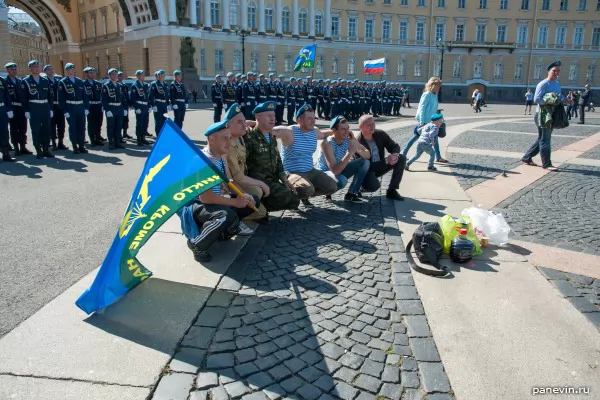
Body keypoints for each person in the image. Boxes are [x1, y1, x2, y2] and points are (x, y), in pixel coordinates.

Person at [178, 120, 257, 263]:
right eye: (224, 138)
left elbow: (228, 181)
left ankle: (223, 232)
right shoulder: (206, 160)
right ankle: (197, 244)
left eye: (229, 138)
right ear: (212, 140)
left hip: (211, 201)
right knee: (224, 216)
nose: (228, 142)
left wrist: (243, 196)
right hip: (195, 205)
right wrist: (234, 202)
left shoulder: (221, 155)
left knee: (251, 201)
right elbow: (205, 198)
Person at [273, 104, 337, 207]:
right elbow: (273, 130)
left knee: (332, 187)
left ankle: (304, 194)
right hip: (293, 172)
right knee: (307, 189)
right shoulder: (290, 132)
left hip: (310, 170)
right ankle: (291, 197)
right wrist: (253, 125)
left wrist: (339, 131)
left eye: (314, 118)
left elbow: (324, 134)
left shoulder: (314, 131)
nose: (313, 121)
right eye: (309, 118)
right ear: (300, 120)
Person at [244, 101, 300, 212]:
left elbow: (278, 161)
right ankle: (257, 209)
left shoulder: (272, 137)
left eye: (273, 115)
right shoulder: (249, 136)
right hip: (257, 181)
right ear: (258, 117)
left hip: (272, 179)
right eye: (268, 116)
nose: (272, 118)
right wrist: (245, 124)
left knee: (294, 199)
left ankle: (263, 207)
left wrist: (285, 181)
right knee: (284, 196)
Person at [223, 103, 269, 223]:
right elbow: (237, 177)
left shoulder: (239, 135)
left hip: (240, 180)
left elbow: (247, 123)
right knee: (260, 209)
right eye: (239, 122)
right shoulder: (229, 144)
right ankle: (227, 216)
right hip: (231, 187)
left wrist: (254, 123)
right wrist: (261, 184)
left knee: (258, 196)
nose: (244, 125)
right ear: (227, 125)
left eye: (244, 121)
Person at [316, 115, 370, 202]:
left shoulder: (347, 139)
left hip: (339, 169)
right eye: (343, 129)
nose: (347, 131)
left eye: (348, 128)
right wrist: (349, 153)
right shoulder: (327, 143)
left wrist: (357, 150)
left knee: (365, 162)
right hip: (325, 174)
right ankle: (326, 191)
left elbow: (367, 154)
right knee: (342, 181)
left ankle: (351, 193)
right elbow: (334, 170)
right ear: (334, 131)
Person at [521, 60, 562, 171]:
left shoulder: (557, 84)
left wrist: (566, 100)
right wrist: (550, 101)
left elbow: (559, 97)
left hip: (552, 114)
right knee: (545, 140)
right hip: (542, 115)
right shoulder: (543, 84)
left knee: (542, 138)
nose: (556, 73)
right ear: (549, 71)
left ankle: (527, 157)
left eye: (558, 71)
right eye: (554, 70)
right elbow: (536, 99)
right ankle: (547, 163)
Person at [356, 114, 406, 201]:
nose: (372, 127)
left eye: (373, 124)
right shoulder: (357, 142)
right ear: (361, 127)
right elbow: (366, 166)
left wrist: (394, 155)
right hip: (367, 171)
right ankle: (360, 187)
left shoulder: (379, 134)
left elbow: (394, 146)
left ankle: (392, 190)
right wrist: (386, 160)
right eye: (369, 125)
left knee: (401, 158)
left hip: (381, 165)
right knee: (373, 186)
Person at [401, 77, 447, 163]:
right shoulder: (426, 94)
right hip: (424, 121)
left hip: (431, 121)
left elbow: (432, 108)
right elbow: (422, 109)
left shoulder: (435, 95)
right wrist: (421, 122)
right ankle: (403, 154)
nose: (438, 88)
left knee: (435, 138)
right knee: (415, 137)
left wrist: (437, 112)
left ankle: (438, 157)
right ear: (431, 85)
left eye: (439, 86)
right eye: (437, 86)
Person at [21, 60, 54, 159]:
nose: (36, 68)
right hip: (34, 106)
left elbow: (50, 96)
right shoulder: (26, 81)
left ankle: (46, 149)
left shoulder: (45, 80)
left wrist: (51, 108)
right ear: (30, 68)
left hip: (45, 106)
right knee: (36, 129)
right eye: (34, 66)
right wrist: (26, 110)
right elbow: (23, 97)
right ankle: (38, 150)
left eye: (38, 66)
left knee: (47, 129)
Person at [58, 63, 90, 154]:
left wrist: (86, 107)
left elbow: (85, 96)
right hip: (70, 107)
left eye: (73, 69)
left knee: (81, 127)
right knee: (73, 127)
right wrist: (64, 110)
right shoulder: (63, 82)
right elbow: (61, 98)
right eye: (69, 69)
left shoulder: (79, 81)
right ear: (66, 71)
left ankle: (81, 145)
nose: (72, 70)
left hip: (80, 106)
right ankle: (74, 145)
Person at [5, 62, 31, 155]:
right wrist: (8, 109)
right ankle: (16, 147)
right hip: (12, 108)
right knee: (14, 128)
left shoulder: (20, 81)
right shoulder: (5, 82)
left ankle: (23, 146)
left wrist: (26, 109)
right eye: (11, 69)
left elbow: (25, 96)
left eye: (15, 69)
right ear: (7, 70)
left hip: (21, 107)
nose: (14, 71)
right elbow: (5, 97)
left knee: (23, 128)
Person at [43, 65, 67, 150]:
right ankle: (53, 143)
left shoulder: (58, 80)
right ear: (45, 71)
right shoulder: (44, 81)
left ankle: (61, 142)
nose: (51, 71)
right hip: (51, 105)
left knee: (61, 125)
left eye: (52, 69)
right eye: (48, 69)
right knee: (52, 125)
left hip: (59, 105)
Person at [101, 68, 126, 150]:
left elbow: (123, 98)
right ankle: (111, 143)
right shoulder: (106, 86)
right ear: (109, 76)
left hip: (119, 107)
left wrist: (125, 108)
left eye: (116, 74)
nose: (115, 76)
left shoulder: (119, 86)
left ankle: (117, 142)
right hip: (111, 107)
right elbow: (104, 99)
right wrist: (107, 110)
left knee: (119, 126)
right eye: (113, 74)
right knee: (111, 126)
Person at [83, 67, 105, 146]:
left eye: (93, 72)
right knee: (91, 123)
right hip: (90, 105)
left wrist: (102, 105)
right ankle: (92, 139)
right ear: (86, 74)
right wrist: (85, 107)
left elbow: (102, 95)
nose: (93, 74)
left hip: (98, 105)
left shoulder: (97, 83)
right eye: (91, 73)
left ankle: (98, 138)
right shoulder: (83, 84)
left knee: (99, 123)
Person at [129, 70, 151, 146]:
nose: (143, 76)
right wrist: (136, 107)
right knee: (140, 123)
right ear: (138, 76)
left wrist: (149, 106)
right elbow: (133, 98)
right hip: (139, 106)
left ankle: (143, 138)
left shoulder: (145, 85)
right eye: (141, 75)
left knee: (145, 122)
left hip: (145, 106)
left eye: (143, 75)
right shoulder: (135, 85)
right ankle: (139, 139)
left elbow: (147, 96)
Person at [149, 70, 170, 136]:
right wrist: (153, 105)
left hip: (164, 105)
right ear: (158, 76)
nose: (162, 76)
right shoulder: (154, 84)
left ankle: (163, 135)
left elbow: (167, 95)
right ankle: (158, 135)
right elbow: (151, 95)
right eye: (161, 75)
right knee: (158, 121)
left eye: (163, 75)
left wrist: (168, 104)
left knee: (164, 120)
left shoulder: (165, 84)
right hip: (158, 104)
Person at [0, 73, 15, 161]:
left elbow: (7, 96)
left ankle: (6, 154)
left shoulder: (2, 80)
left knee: (4, 131)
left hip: (2, 108)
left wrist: (9, 109)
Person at [117, 72, 131, 141]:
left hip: (125, 105)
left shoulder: (124, 85)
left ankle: (125, 133)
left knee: (126, 120)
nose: (121, 77)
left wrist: (129, 104)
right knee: (119, 121)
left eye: (122, 76)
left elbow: (127, 96)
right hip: (120, 105)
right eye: (120, 76)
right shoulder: (117, 85)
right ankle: (119, 135)